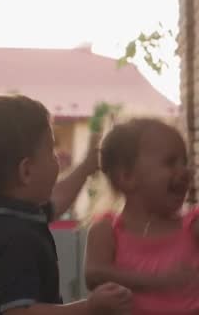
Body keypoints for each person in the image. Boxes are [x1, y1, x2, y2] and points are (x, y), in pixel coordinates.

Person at [0, 95, 131, 315]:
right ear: (26, 171)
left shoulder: (3, 214)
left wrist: (86, 167)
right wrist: (90, 307)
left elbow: (56, 201)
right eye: (51, 151)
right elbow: (21, 312)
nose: (57, 159)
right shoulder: (16, 238)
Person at [85, 117, 199, 315]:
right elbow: (94, 273)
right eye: (171, 162)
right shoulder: (107, 231)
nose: (185, 171)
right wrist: (158, 281)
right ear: (127, 177)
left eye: (185, 162)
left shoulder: (192, 226)